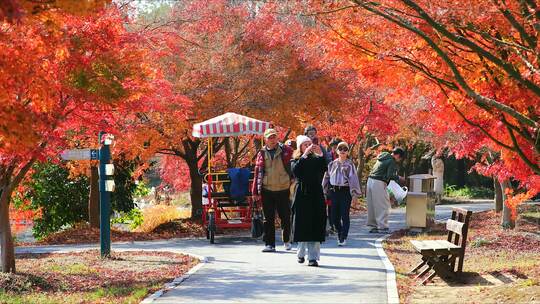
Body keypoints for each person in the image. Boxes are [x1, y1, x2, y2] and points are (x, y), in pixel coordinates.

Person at [252, 128, 294, 252]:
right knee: (268, 218)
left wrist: (294, 180)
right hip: (267, 190)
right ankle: (269, 244)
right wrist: (255, 192)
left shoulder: (286, 151)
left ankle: (287, 240)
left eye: (274, 137)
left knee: (285, 216)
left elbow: (294, 165)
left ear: (277, 138)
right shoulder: (262, 153)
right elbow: (257, 173)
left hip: (283, 188)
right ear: (265, 139)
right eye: (270, 137)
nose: (272, 139)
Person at [291, 135, 327, 267]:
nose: (308, 146)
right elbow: (296, 172)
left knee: (315, 224)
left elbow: (324, 168)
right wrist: (304, 155)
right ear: (300, 147)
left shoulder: (316, 159)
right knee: (302, 225)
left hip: (316, 193)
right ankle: (300, 254)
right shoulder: (296, 160)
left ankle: (313, 257)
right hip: (302, 193)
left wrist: (321, 154)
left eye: (309, 144)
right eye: (305, 144)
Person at [322, 141, 362, 246]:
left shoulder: (350, 165)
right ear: (337, 150)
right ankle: (339, 231)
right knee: (334, 216)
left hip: (345, 191)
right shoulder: (332, 164)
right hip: (334, 191)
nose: (343, 151)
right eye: (340, 149)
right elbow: (326, 178)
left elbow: (353, 179)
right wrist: (324, 191)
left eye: (345, 149)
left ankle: (343, 236)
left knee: (345, 215)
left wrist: (354, 195)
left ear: (348, 152)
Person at [366, 147, 406, 233]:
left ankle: (373, 226)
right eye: (400, 158)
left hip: (370, 181)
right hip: (379, 182)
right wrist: (399, 177)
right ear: (398, 155)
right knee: (383, 205)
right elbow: (390, 175)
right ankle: (383, 226)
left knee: (372, 204)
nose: (399, 160)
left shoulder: (382, 156)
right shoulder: (392, 161)